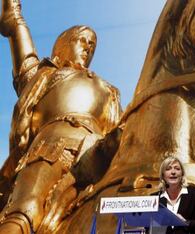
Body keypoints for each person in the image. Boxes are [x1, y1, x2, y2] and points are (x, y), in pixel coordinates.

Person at [0, 0, 122, 233]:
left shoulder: (109, 90)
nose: (88, 47)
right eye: (82, 40)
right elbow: (12, 23)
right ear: (63, 44)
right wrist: (14, 13)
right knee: (26, 210)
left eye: (92, 45)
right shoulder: (44, 75)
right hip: (53, 151)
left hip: (100, 153)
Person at [154, 156, 195, 234]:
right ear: (163, 175)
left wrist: (185, 222)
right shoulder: (155, 198)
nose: (173, 172)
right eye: (168, 169)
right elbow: (149, 228)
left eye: (177, 168)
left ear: (182, 174)